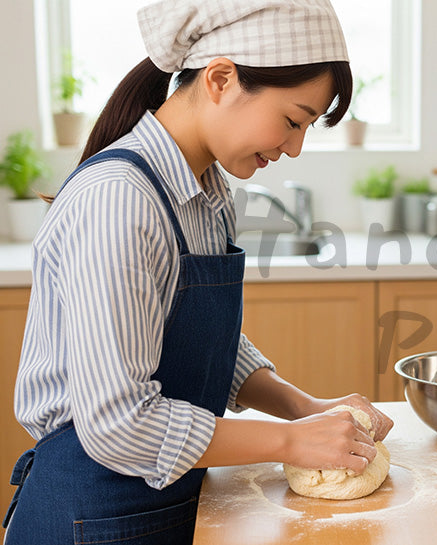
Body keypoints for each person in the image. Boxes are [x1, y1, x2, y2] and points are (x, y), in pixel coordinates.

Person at [4, 1, 393, 543]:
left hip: (165, 502)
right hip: (90, 516)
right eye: (292, 120)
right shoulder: (119, 201)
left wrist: (303, 408)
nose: (295, 147)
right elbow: (118, 425)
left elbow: (197, 340)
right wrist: (290, 442)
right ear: (220, 78)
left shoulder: (205, 191)